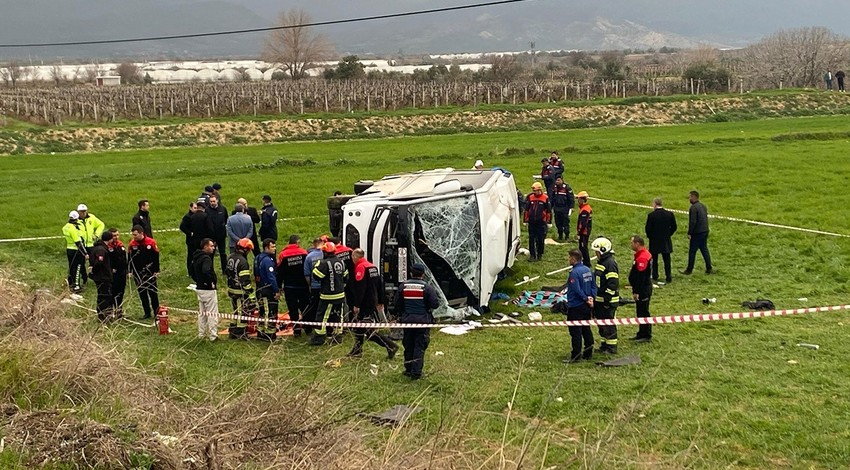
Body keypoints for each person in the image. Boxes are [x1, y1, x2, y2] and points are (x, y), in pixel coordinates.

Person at [347, 248, 398, 358]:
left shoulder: (361, 267)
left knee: (368, 330)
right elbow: (380, 285)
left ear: (356, 256)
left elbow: (361, 289)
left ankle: (390, 345)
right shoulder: (372, 266)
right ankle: (357, 350)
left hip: (365, 303)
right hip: (373, 301)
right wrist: (380, 301)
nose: (352, 259)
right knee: (359, 327)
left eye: (353, 257)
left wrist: (357, 305)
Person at [395, 263, 439, 379]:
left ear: (411, 273)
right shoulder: (427, 288)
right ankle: (416, 373)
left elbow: (397, 304)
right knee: (419, 346)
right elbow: (435, 304)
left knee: (408, 344)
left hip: (407, 320)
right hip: (422, 321)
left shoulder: (403, 286)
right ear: (423, 274)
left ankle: (408, 369)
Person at [309, 242, 348, 346]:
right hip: (340, 294)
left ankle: (319, 337)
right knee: (338, 315)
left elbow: (316, 276)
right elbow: (346, 277)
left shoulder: (323, 263)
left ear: (325, 252)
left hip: (328, 295)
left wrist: (316, 266)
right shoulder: (341, 262)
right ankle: (337, 336)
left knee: (322, 316)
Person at [561, 250, 596, 363]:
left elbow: (576, 289)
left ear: (573, 259)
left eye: (569, 257)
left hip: (576, 305)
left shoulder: (574, 273)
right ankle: (588, 353)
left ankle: (575, 356)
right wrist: (591, 298)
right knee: (586, 329)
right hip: (587, 306)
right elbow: (594, 286)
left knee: (575, 331)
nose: (568, 260)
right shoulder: (587, 270)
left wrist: (585, 298)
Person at [277, 234, 310, 336]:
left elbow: (280, 272)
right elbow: (307, 269)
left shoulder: (283, 255)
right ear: (297, 242)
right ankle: (308, 328)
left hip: (289, 287)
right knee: (305, 307)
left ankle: (296, 330)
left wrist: (279, 287)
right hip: (303, 286)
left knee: (293, 308)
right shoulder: (304, 252)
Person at [591, 237, 619, 354]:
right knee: (601, 323)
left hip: (608, 300)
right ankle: (604, 344)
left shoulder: (610, 264)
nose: (595, 254)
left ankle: (611, 347)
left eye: (597, 252)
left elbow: (613, 283)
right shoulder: (602, 262)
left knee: (608, 323)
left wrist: (607, 299)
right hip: (600, 299)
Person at [128, 225, 160, 321]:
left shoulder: (151, 242)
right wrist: (129, 271)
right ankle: (147, 312)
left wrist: (156, 271)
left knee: (153, 293)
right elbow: (129, 259)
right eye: (133, 235)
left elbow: (156, 258)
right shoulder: (132, 244)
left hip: (150, 272)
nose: (134, 237)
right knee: (142, 293)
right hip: (138, 273)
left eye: (136, 235)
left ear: (141, 233)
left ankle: (156, 312)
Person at [644, 197, 678, 283]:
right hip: (666, 240)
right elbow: (674, 227)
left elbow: (648, 229)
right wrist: (669, 234)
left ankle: (655, 275)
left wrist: (650, 236)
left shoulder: (651, 215)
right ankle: (668, 276)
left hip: (655, 240)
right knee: (667, 259)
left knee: (654, 259)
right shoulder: (669, 214)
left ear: (655, 204)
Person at [192, 238, 219, 341]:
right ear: (205, 246)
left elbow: (192, 271)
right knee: (212, 313)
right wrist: (210, 282)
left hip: (199, 288)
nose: (213, 248)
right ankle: (213, 335)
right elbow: (206, 270)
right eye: (211, 246)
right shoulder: (206, 259)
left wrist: (198, 281)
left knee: (202, 313)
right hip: (208, 290)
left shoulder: (196, 257)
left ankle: (201, 334)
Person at [629, 235, 654, 343]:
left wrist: (636, 292)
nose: (631, 245)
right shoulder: (643, 254)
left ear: (637, 244)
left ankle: (646, 334)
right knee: (640, 311)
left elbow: (641, 276)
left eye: (632, 243)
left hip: (642, 289)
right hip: (643, 288)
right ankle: (641, 332)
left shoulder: (642, 258)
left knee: (643, 311)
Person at [683, 190, 713, 275]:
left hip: (697, 232)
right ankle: (709, 267)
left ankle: (689, 269)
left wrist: (690, 233)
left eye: (690, 197)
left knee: (692, 251)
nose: (689, 198)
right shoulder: (703, 206)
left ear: (693, 197)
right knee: (704, 249)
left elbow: (693, 222)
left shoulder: (693, 208)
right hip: (705, 230)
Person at [225, 238, 255, 320]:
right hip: (240, 292)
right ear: (245, 249)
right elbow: (245, 282)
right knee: (242, 316)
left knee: (236, 313)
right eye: (249, 250)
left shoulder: (230, 257)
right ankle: (239, 331)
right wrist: (251, 295)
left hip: (231, 289)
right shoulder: (243, 262)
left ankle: (233, 329)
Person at [302, 237, 326, 335]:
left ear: (314, 245)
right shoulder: (325, 254)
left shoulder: (309, 257)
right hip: (325, 286)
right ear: (322, 243)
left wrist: (310, 285)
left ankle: (310, 327)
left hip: (315, 286)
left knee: (313, 307)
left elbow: (307, 274)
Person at [254, 238, 280, 330]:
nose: (274, 249)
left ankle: (261, 330)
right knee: (270, 310)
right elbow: (271, 277)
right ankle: (268, 332)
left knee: (262, 311)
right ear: (266, 248)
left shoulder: (257, 258)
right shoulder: (268, 260)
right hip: (267, 289)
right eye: (272, 247)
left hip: (259, 288)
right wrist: (276, 290)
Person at [523, 182, 551, 262]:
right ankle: (532, 255)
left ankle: (539, 254)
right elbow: (527, 210)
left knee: (540, 240)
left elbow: (548, 211)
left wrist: (548, 222)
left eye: (535, 190)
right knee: (531, 239)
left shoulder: (545, 198)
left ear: (540, 190)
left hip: (541, 223)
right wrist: (525, 220)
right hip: (532, 222)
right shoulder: (530, 197)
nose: (534, 192)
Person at [88, 232, 113, 321]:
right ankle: (103, 316)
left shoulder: (97, 248)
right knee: (105, 296)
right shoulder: (101, 250)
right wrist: (93, 271)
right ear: (110, 239)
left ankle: (103, 314)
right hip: (103, 277)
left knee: (102, 295)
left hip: (101, 276)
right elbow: (99, 262)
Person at [62, 210, 88, 293]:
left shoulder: (66, 227)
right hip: (76, 251)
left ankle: (70, 283)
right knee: (77, 267)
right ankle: (76, 285)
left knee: (71, 266)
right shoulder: (72, 229)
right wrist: (85, 253)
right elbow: (78, 243)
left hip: (69, 249)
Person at [107, 228, 128, 314]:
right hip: (112, 273)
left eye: (117, 235)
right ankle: (110, 311)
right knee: (112, 292)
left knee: (121, 292)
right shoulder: (107, 247)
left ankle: (119, 310)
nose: (116, 237)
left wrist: (127, 270)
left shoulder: (120, 245)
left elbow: (124, 259)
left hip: (122, 273)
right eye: (114, 236)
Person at [206, 195, 228, 270]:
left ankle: (224, 270)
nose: (212, 203)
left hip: (221, 236)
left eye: (214, 201)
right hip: (211, 237)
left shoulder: (223, 209)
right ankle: (211, 269)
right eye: (211, 201)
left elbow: (225, 220)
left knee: (223, 253)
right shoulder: (207, 210)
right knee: (210, 254)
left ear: (217, 201)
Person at [551, 176, 575, 241]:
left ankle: (567, 236)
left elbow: (571, 198)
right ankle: (560, 236)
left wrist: (572, 207)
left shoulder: (567, 188)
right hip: (556, 209)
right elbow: (552, 198)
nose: (557, 182)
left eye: (558, 180)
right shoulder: (554, 188)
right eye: (556, 180)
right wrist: (551, 207)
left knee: (565, 223)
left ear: (562, 180)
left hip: (564, 209)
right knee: (558, 223)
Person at [179, 202, 198, 277]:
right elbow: (182, 227)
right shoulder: (187, 217)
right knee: (190, 256)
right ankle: (190, 271)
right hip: (190, 240)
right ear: (190, 208)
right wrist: (190, 233)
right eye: (194, 208)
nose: (196, 210)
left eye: (196, 208)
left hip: (196, 239)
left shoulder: (196, 215)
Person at [575, 191, 593, 267]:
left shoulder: (585, 210)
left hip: (584, 232)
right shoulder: (586, 208)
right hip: (585, 231)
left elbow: (583, 224)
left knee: (583, 247)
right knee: (582, 247)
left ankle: (587, 263)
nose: (578, 201)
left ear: (583, 200)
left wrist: (579, 233)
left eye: (579, 199)